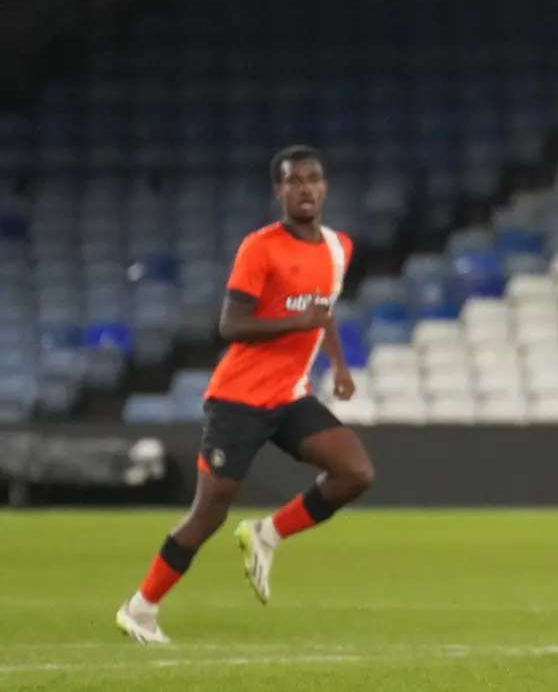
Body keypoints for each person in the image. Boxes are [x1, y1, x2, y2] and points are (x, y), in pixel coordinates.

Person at [115, 146, 374, 644]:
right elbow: (231, 324)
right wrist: (297, 322)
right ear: (278, 191)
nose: (304, 187)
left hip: (290, 397)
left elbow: (325, 311)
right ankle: (140, 608)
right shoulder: (261, 248)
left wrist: (339, 366)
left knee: (355, 472)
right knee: (209, 513)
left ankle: (267, 533)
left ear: (325, 187)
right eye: (292, 180)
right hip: (238, 400)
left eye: (313, 178)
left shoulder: (340, 248)